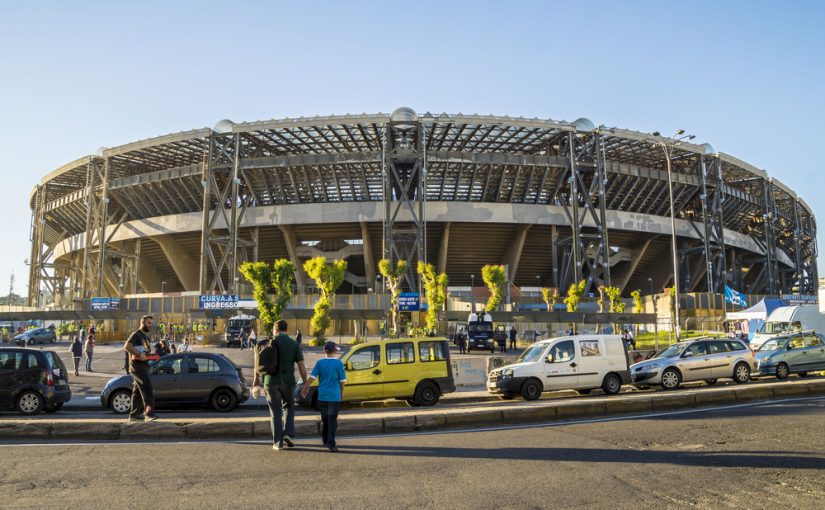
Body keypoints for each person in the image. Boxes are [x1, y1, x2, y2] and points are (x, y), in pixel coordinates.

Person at [254, 319, 307, 451]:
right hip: (288, 381)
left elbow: (257, 364)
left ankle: (278, 442)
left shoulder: (266, 343)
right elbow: (301, 365)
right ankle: (288, 433)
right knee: (289, 406)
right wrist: (305, 383)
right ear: (286, 329)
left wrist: (256, 382)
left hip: (270, 382)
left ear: (275, 329)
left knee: (275, 411)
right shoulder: (293, 344)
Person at [302, 340, 346, 452]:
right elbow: (342, 381)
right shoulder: (339, 363)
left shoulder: (320, 363)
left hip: (322, 396)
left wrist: (305, 387)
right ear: (335, 351)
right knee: (332, 420)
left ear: (324, 351)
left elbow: (312, 377)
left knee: (325, 419)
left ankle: (325, 439)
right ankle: (331, 443)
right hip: (334, 396)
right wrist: (342, 392)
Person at [124, 315, 158, 422]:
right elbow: (127, 346)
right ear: (142, 323)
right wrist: (139, 354)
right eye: (149, 323)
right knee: (147, 388)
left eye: (151, 323)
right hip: (136, 367)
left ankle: (134, 415)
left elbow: (145, 353)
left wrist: (151, 357)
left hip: (143, 367)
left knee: (137, 391)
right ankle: (149, 414)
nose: (150, 325)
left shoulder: (146, 337)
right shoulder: (136, 334)